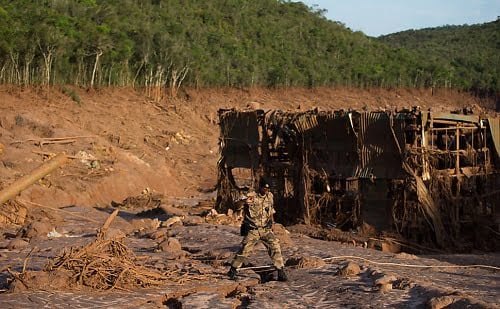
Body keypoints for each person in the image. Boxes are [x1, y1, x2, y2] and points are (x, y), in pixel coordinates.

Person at [227, 180, 288, 281]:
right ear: (260, 187)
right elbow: (237, 206)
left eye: (268, 189)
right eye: (264, 188)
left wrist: (272, 223)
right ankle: (233, 270)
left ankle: (280, 270)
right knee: (245, 250)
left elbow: (271, 210)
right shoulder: (252, 195)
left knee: (275, 246)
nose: (266, 190)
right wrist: (243, 201)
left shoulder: (270, 196)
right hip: (253, 230)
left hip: (265, 229)